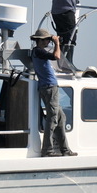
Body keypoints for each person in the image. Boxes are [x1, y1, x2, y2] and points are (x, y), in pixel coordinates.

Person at [30, 28, 78, 157]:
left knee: (61, 118)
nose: (48, 42)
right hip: (50, 87)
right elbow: (57, 56)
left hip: (48, 87)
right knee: (52, 119)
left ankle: (65, 149)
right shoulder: (39, 51)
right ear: (41, 40)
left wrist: (54, 41)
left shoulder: (37, 52)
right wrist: (57, 43)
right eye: (47, 40)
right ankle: (47, 150)